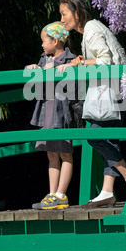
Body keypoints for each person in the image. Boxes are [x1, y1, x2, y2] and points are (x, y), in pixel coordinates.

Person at [58, 0, 126, 208]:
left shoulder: (91, 28)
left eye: (64, 14)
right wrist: (84, 60)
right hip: (114, 90)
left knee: (94, 136)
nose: (62, 20)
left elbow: (106, 61)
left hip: (110, 91)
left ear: (76, 12)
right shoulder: (90, 30)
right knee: (109, 140)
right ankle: (108, 192)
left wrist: (80, 64)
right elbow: (99, 59)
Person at [26, 21, 76, 210]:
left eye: (44, 41)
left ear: (55, 41)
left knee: (65, 153)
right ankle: (52, 193)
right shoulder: (43, 59)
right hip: (46, 110)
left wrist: (58, 69)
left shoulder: (71, 60)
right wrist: (34, 70)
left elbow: (73, 87)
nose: (41, 45)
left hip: (62, 112)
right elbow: (35, 86)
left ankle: (61, 195)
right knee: (51, 154)